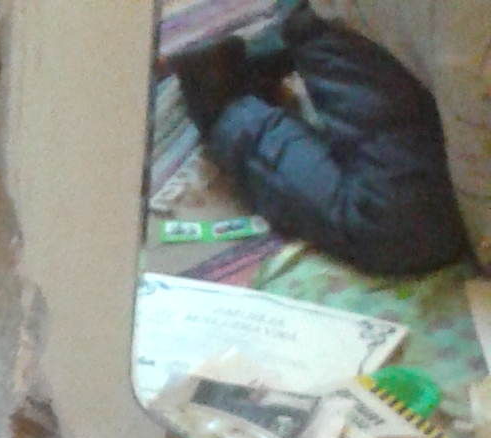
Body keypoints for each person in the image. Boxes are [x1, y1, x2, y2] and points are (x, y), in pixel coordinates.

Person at [174, 2, 491, 277]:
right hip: (356, 22)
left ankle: (280, 48)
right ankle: (227, 104)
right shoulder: (475, 55)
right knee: (410, 225)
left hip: (433, 34)